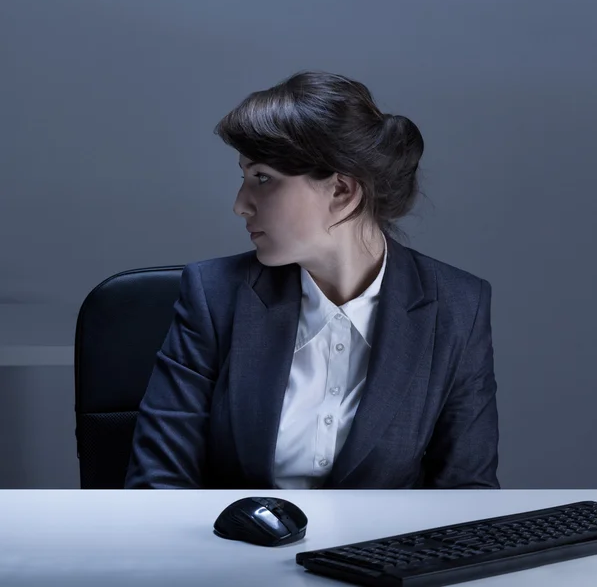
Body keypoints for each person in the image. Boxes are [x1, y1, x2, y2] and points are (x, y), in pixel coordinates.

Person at [124, 70, 499, 490]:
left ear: (341, 190)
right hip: (234, 551)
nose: (240, 205)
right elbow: (158, 484)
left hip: (387, 554)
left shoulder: (457, 306)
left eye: (262, 178)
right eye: (244, 177)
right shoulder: (213, 294)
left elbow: (467, 494)